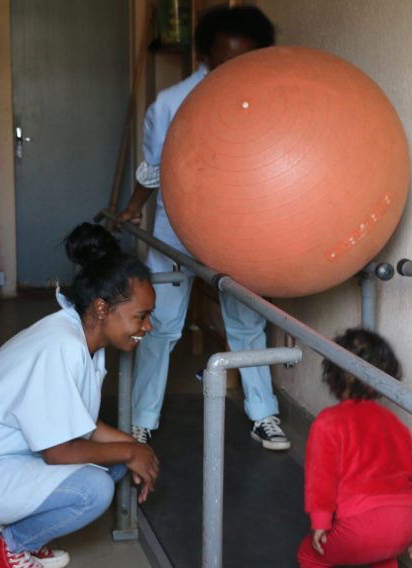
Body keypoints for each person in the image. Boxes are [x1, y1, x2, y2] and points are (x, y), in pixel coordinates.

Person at [0, 223, 160, 568]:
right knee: (94, 489)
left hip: (7, 461)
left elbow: (81, 423)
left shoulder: (84, 339)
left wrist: (136, 449)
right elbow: (59, 451)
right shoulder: (62, 347)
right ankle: (8, 546)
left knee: (116, 461)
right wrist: (132, 451)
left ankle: (25, 535)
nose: (147, 326)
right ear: (102, 308)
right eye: (140, 316)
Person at [116, 5, 290, 451]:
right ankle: (141, 420)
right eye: (225, 58)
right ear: (206, 54)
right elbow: (154, 168)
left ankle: (263, 415)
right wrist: (133, 208)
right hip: (177, 230)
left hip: (239, 230)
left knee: (247, 323)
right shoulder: (172, 102)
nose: (233, 68)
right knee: (160, 325)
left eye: (244, 58)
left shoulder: (267, 99)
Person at [296, 328, 412, 568]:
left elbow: (320, 478)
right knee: (384, 542)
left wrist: (320, 522)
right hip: (404, 527)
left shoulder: (328, 422)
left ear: (333, 374)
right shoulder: (396, 425)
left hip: (360, 530)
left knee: (309, 556)